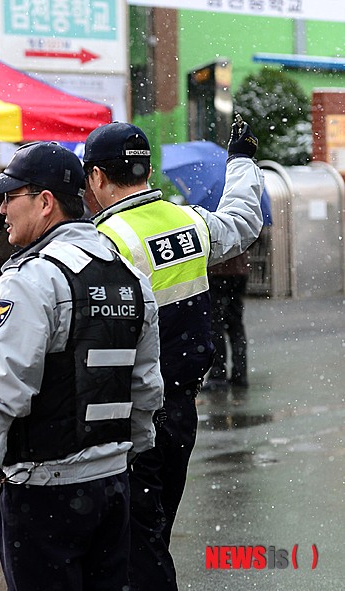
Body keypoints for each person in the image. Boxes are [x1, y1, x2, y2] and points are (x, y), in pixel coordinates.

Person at [0, 141, 163, 591]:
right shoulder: (127, 272)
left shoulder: (32, 278)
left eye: (11, 196)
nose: (2, 208)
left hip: (47, 492)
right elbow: (146, 385)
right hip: (113, 487)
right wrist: (139, 465)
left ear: (46, 202)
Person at [82, 120, 263, 591]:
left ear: (98, 177)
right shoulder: (189, 222)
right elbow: (243, 222)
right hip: (180, 412)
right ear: (146, 169)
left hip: (128, 420)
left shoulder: (105, 244)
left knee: (134, 548)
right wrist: (241, 159)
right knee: (153, 530)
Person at [206, 252, 250, 388]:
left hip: (218, 271)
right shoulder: (242, 230)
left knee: (216, 326)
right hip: (239, 271)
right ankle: (240, 373)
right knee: (236, 326)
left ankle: (218, 374)